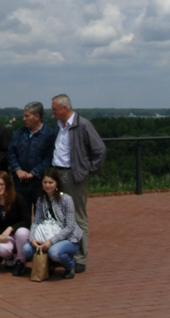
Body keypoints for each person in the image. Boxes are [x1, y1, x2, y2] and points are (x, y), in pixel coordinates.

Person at [51, 94, 106, 273]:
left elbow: (100, 150)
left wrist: (86, 171)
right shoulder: (59, 126)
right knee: (60, 216)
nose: (52, 112)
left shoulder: (82, 125)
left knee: (77, 216)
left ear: (64, 108)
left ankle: (80, 258)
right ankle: (63, 254)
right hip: (57, 174)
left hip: (73, 176)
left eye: (54, 109)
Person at [20, 168, 83, 280]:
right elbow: (36, 221)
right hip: (46, 236)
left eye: (51, 182)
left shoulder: (66, 199)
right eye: (45, 182)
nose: (47, 185)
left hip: (69, 238)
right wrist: (32, 239)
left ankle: (70, 265)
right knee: (26, 249)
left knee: (54, 252)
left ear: (57, 183)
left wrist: (51, 241)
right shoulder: (41, 200)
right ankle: (50, 264)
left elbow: (70, 227)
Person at [7, 101, 56, 212]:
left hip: (40, 183)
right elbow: (11, 152)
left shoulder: (49, 134)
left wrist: (34, 173)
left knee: (42, 214)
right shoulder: (19, 133)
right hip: (20, 183)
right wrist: (18, 170)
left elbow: (49, 158)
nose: (24, 118)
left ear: (37, 116)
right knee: (22, 214)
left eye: (27, 116)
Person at [0, 171, 30, 276]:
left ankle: (20, 261)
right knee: (1, 249)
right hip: (5, 236)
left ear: (7, 185)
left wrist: (11, 228)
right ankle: (9, 258)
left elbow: (26, 221)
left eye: (2, 184)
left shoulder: (18, 199)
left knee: (21, 232)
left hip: (18, 234)